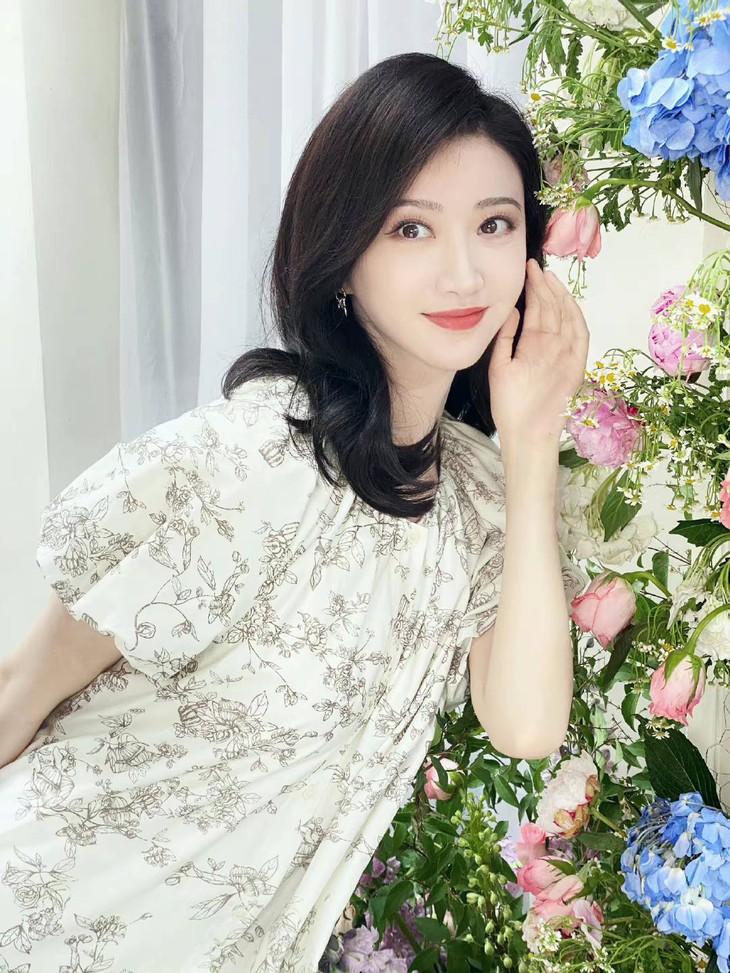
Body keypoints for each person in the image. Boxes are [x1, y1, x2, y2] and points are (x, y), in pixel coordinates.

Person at [0, 51, 589, 973]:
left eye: (495, 224)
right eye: (411, 228)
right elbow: (20, 693)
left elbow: (526, 725)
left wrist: (533, 441)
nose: (464, 272)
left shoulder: (479, 499)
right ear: (343, 256)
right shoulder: (245, 460)